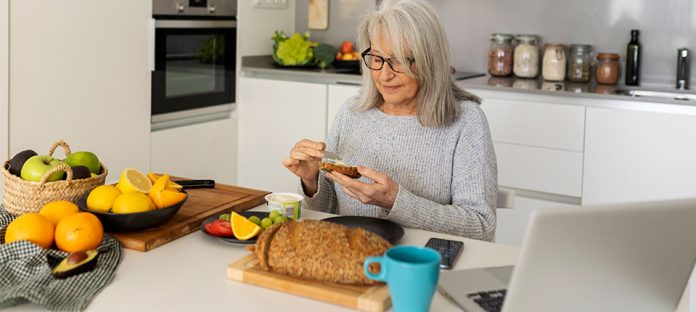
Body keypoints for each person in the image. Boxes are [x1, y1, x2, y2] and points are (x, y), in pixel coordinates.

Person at [282, 0, 497, 241]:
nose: (384, 75)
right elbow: (329, 211)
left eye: (399, 61)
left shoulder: (465, 121)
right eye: (376, 58)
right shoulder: (351, 113)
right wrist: (311, 181)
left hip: (423, 262)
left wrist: (396, 201)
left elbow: (481, 226)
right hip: (349, 255)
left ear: (429, 61)